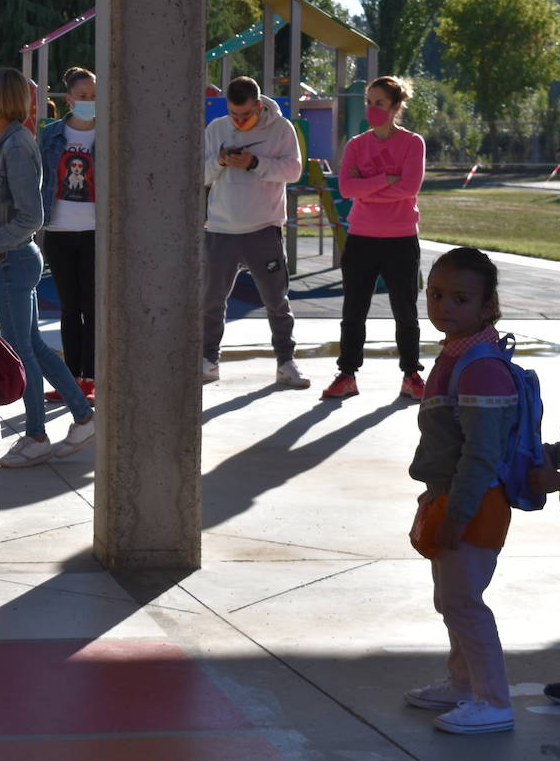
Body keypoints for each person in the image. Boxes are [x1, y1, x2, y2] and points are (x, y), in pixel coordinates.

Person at [404, 247, 515, 735]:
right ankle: (462, 684)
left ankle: (493, 702)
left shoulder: (479, 366)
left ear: (488, 306)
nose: (444, 306)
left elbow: (481, 455)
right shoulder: (458, 354)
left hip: (474, 503)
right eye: (436, 294)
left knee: (465, 604)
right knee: (452, 600)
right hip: (453, 497)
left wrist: (457, 514)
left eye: (460, 299)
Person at [0, 68, 95, 468]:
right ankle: (83, 417)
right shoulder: (0, 142)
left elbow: (31, 215)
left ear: (0, 99)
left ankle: (37, 435)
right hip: (9, 259)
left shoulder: (18, 145)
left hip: (11, 260)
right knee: (33, 346)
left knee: (20, 350)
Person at [201, 76, 309, 389]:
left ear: (259, 105)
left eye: (246, 114)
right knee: (211, 300)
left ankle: (286, 362)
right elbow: (199, 173)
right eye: (234, 114)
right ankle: (208, 360)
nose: (239, 121)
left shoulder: (282, 128)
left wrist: (255, 162)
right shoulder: (216, 128)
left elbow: (293, 170)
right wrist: (220, 160)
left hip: (264, 227)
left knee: (276, 300)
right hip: (220, 229)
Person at [323, 75, 427, 401]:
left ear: (396, 106)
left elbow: (409, 187)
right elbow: (346, 189)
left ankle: (411, 375)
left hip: (401, 239)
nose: (372, 108)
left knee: (405, 312)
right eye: (369, 102)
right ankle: (347, 375)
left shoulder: (412, 143)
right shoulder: (356, 145)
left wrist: (366, 187)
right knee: (353, 311)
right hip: (361, 238)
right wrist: (385, 179)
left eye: (379, 103)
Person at [38, 67, 98, 403]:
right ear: (69, 98)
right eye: (83, 96)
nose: (89, 101)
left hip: (95, 231)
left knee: (93, 307)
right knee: (69, 308)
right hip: (58, 230)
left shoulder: (107, 132)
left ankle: (91, 378)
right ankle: (71, 378)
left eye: (94, 96)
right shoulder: (51, 134)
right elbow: (40, 178)